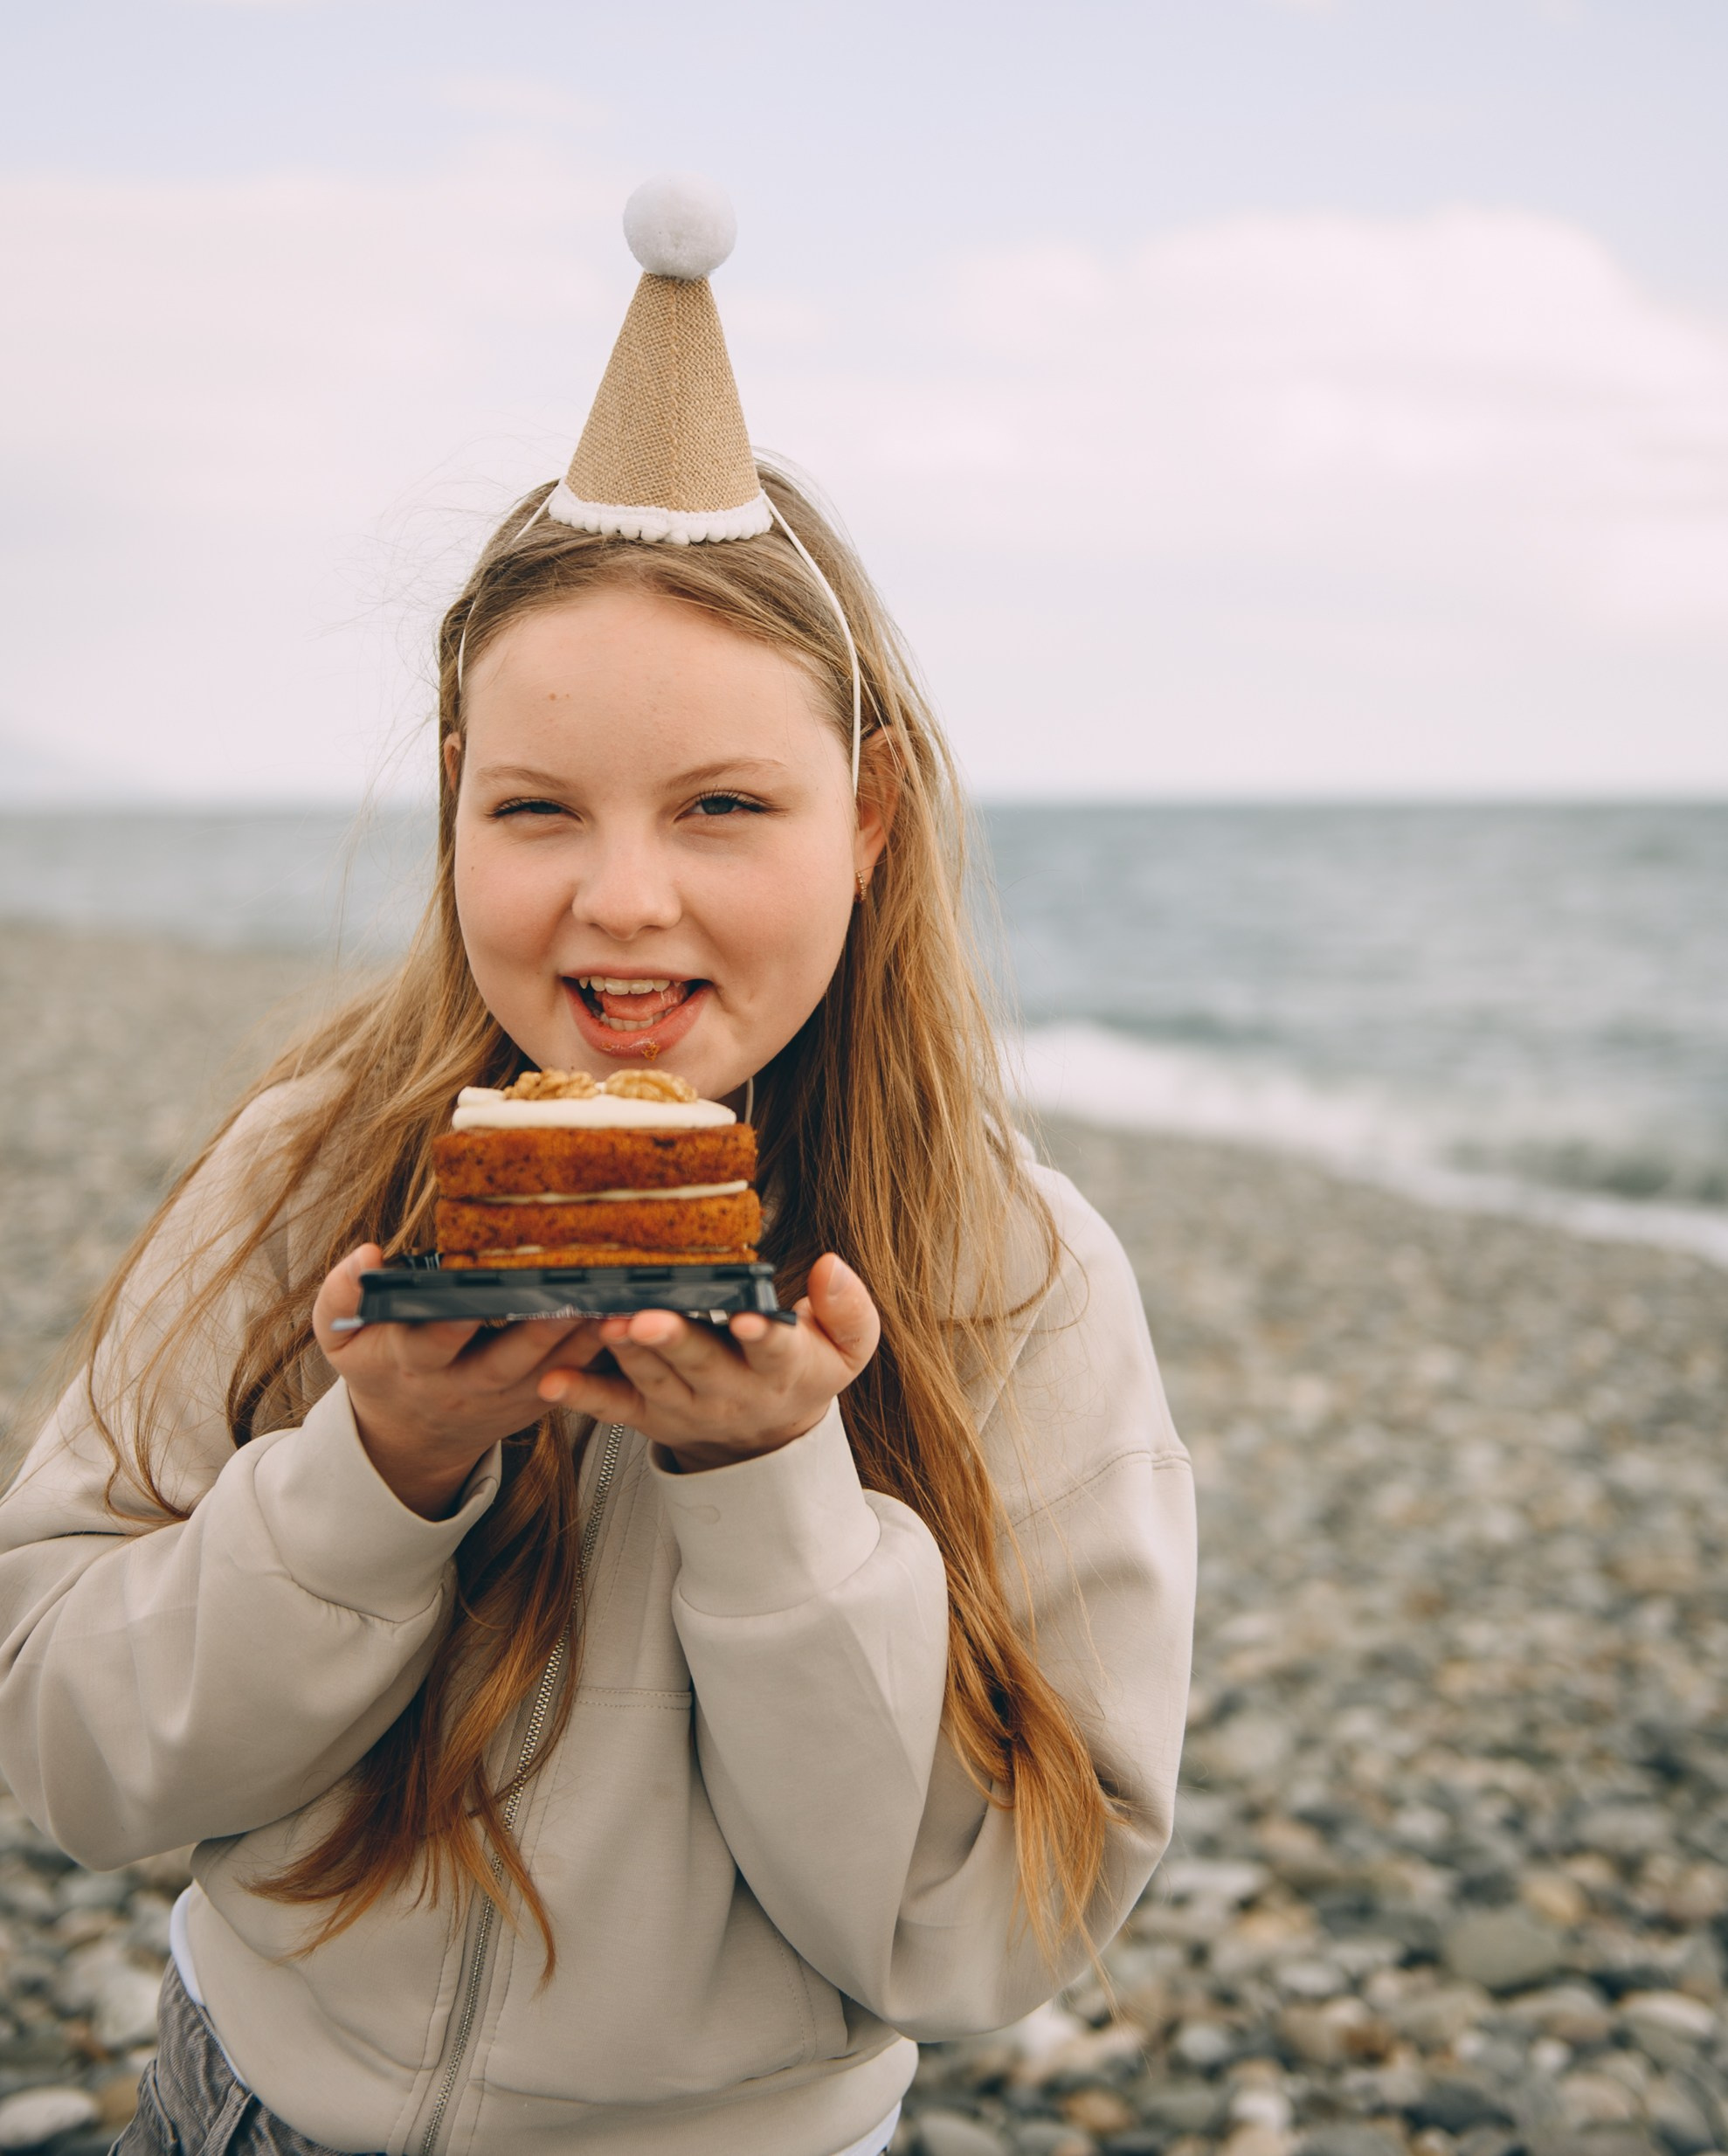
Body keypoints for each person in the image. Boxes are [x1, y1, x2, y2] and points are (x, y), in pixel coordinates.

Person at [0, 179, 1195, 2156]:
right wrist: (372, 1475)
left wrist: (763, 1490)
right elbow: (65, 1750)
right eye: (535, 805)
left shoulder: (1014, 1279)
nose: (620, 905)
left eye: (724, 804)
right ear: (453, 797)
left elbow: (986, 1930)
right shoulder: (314, 1173)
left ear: (868, 813)